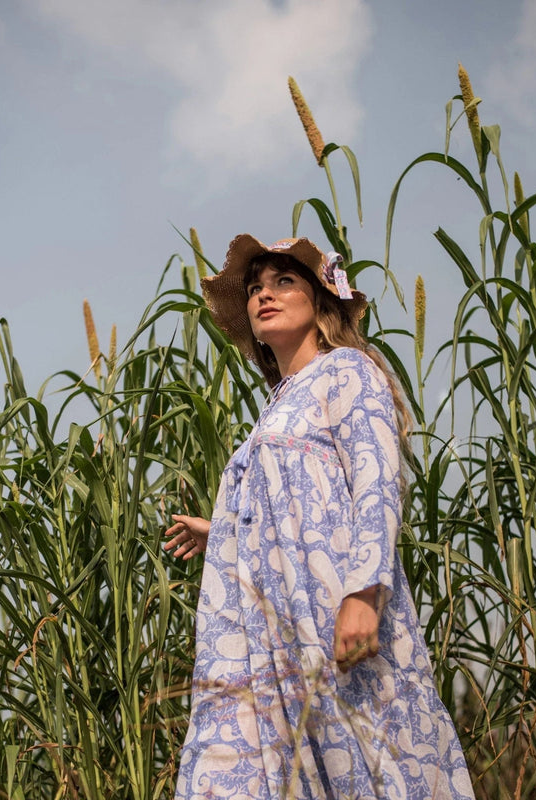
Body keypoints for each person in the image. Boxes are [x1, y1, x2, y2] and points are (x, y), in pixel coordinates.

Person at [164, 234, 475, 800]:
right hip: (267, 639)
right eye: (255, 287)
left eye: (284, 281)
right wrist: (225, 533)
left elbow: (376, 482)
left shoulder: (347, 372)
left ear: (321, 300)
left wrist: (364, 591)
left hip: (330, 611)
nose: (264, 294)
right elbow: (288, 506)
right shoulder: (275, 407)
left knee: (362, 762)